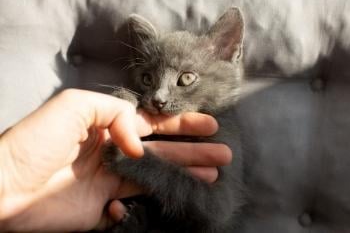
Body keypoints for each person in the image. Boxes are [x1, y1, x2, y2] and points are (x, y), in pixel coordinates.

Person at [0, 89, 232, 232]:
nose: (159, 95)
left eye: (186, 78)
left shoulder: (222, 126)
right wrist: (9, 176)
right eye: (148, 78)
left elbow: (214, 214)